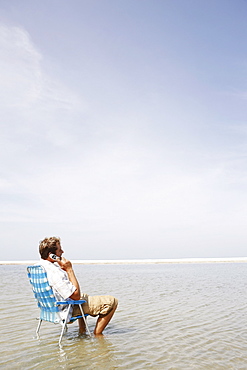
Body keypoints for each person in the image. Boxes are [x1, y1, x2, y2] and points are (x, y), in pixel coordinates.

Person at [38, 236, 118, 336]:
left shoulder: (40, 267)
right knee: (112, 301)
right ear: (51, 255)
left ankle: (82, 331)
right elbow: (75, 296)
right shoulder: (54, 272)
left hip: (49, 309)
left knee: (84, 296)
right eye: (59, 249)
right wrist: (69, 270)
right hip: (64, 311)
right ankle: (98, 335)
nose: (62, 252)